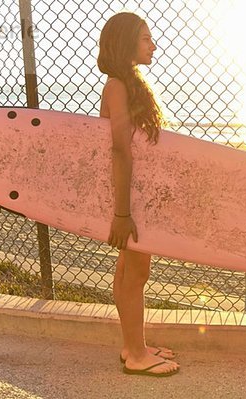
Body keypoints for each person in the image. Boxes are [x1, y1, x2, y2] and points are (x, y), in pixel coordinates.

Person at [97, 12, 180, 377]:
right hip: (128, 199)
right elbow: (119, 149)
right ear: (127, 42)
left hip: (136, 195)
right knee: (136, 272)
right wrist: (121, 212)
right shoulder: (116, 86)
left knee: (129, 270)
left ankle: (135, 344)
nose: (153, 45)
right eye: (146, 39)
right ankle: (135, 354)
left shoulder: (128, 83)